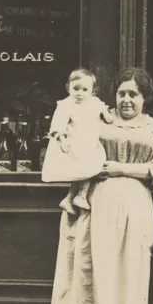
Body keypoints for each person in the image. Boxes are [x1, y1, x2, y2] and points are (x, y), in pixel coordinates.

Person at [47, 67, 153, 304]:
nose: (127, 100)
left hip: (134, 206)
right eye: (121, 93)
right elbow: (74, 147)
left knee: (127, 274)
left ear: (144, 98)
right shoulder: (97, 118)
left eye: (134, 95)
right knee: (89, 271)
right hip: (95, 202)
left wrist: (119, 168)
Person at [41, 68, 113, 212]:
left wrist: (106, 114)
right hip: (76, 142)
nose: (80, 93)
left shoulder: (94, 101)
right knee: (84, 168)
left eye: (85, 90)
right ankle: (81, 195)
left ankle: (69, 199)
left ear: (92, 91)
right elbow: (58, 123)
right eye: (76, 88)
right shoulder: (66, 104)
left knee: (86, 169)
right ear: (68, 87)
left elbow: (101, 107)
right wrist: (62, 139)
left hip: (90, 142)